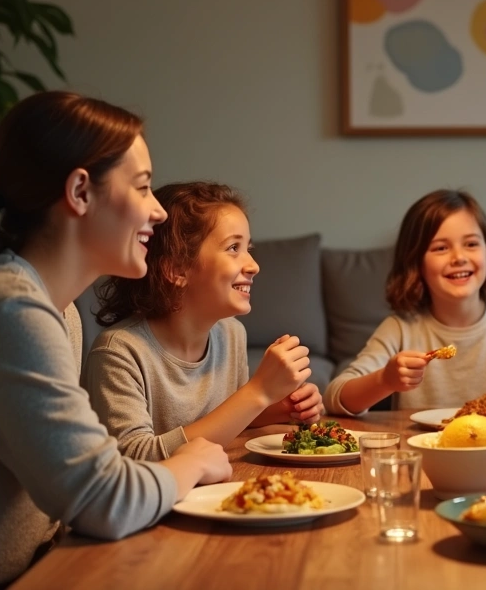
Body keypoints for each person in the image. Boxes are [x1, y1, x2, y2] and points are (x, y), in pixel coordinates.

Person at [0, 92, 232, 589]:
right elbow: (103, 499)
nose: (159, 212)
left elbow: (77, 481)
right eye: (143, 188)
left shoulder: (59, 311)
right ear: (80, 192)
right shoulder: (10, 310)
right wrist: (189, 461)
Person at [84, 181, 321, 460]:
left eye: (248, 248)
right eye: (234, 248)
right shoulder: (118, 352)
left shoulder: (231, 334)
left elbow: (224, 422)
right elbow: (135, 457)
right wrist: (257, 392)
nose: (253, 265)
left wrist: (275, 405)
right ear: (176, 269)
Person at [325, 189, 486, 414]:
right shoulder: (401, 328)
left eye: (471, 244)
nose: (459, 257)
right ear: (415, 263)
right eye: (441, 248)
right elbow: (335, 397)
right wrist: (384, 380)